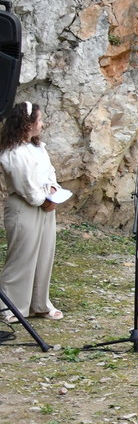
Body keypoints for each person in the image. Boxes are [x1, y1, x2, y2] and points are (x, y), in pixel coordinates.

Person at [0, 102, 64, 323]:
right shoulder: (13, 152)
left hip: (46, 206)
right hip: (25, 208)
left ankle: (39, 303)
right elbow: (25, 185)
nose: (42, 123)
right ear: (27, 124)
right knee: (22, 257)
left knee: (44, 255)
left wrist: (54, 190)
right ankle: (11, 307)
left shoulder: (38, 147)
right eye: (39, 120)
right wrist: (44, 201)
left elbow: (49, 172)